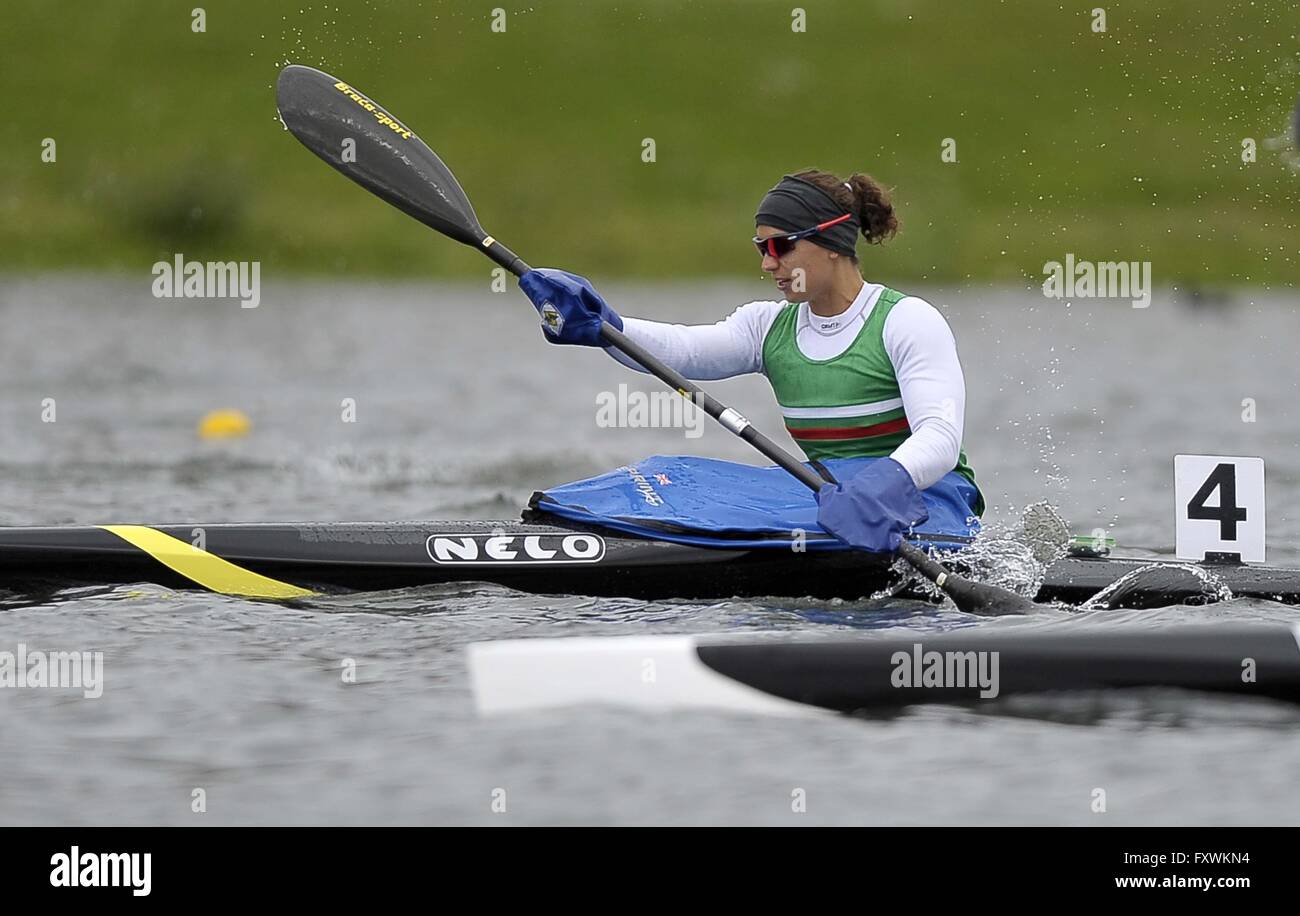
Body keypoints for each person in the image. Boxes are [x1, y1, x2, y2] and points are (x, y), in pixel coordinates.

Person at [518, 169, 981, 553]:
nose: (768, 264)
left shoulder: (907, 321)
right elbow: (682, 350)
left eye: (781, 247)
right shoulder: (768, 327)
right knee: (677, 473)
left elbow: (939, 438)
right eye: (762, 248)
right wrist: (603, 325)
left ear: (832, 241)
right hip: (832, 498)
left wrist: (884, 481)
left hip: (924, 501)